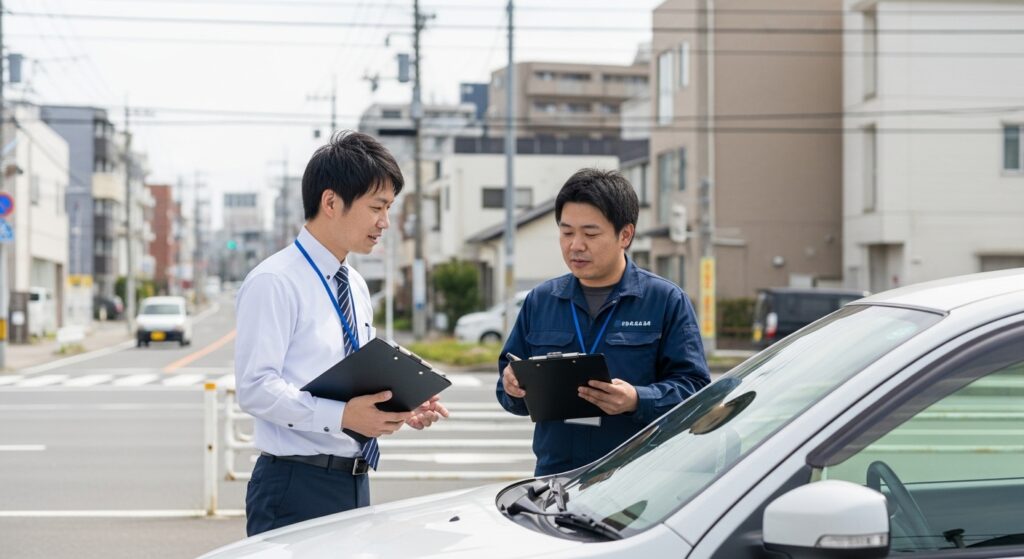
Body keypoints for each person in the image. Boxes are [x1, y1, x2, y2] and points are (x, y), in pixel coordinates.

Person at [235, 131, 448, 536]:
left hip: (353, 480)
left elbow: (359, 370)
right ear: (331, 202)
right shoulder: (274, 281)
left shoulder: (354, 283)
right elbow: (255, 387)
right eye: (377, 207)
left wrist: (401, 402)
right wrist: (342, 416)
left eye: (388, 208)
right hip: (294, 486)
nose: (385, 222)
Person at [496, 168, 710, 476]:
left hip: (640, 479)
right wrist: (512, 387)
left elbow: (696, 391)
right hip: (556, 477)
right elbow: (508, 387)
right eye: (567, 232)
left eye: (590, 234)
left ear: (625, 235)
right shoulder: (540, 301)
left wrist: (637, 399)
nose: (576, 245)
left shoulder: (664, 300)